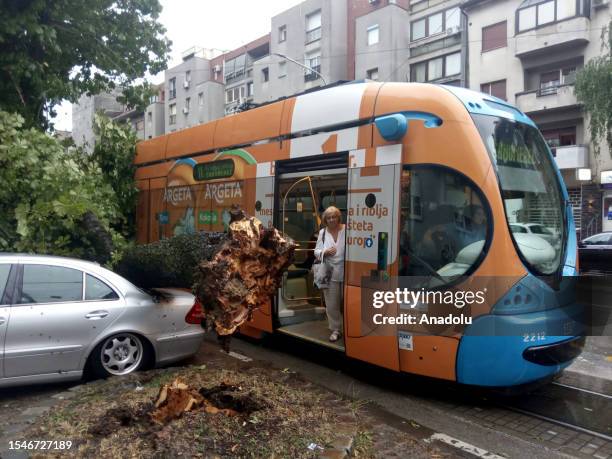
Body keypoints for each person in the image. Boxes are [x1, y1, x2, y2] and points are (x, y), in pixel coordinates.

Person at [314, 206, 346, 342]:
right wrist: (324, 252)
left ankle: (349, 328)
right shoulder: (322, 233)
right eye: (329, 217)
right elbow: (316, 251)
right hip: (329, 273)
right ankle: (336, 329)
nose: (332, 219)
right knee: (332, 304)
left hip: (347, 272)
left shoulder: (347, 230)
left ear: (339, 217)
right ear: (325, 220)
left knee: (348, 303)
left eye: (334, 216)